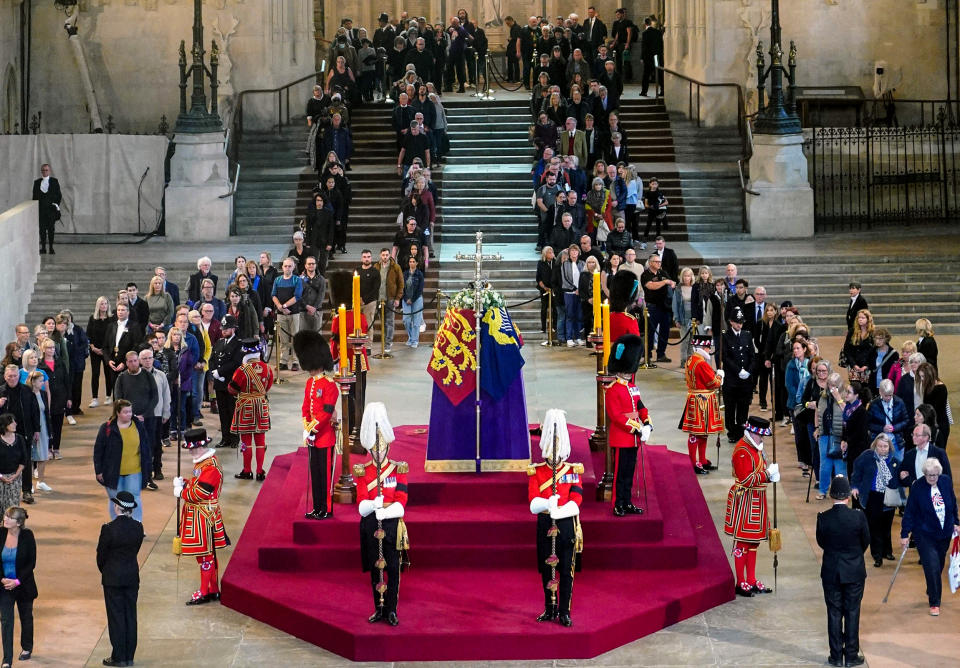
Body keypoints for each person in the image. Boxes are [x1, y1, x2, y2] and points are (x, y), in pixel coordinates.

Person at [353, 403, 408, 626]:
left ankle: (392, 609)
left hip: (392, 525)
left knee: (393, 568)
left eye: (381, 448)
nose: (378, 452)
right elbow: (360, 503)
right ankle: (378, 608)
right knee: (376, 570)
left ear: (387, 447)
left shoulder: (398, 469)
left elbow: (402, 502)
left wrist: (384, 510)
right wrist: (372, 505)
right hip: (370, 525)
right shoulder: (363, 471)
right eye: (374, 449)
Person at [528, 409, 582, 627]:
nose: (555, 453)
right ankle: (549, 608)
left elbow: (577, 499)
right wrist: (546, 504)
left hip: (566, 525)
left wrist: (559, 510)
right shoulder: (537, 472)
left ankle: (564, 610)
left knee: (566, 571)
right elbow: (532, 502)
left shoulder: (572, 470)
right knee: (546, 568)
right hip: (544, 524)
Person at [816, 475, 869, 668]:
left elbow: (822, 542)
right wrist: (854, 556)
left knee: (834, 612)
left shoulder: (823, 518)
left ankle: (836, 656)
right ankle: (852, 656)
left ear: (831, 496)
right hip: (854, 571)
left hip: (831, 571)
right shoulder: (858, 516)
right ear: (848, 495)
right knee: (853, 612)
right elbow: (865, 540)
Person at [174, 428, 230, 606]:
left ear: (200, 446)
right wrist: (186, 483)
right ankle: (212, 588)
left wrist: (182, 492)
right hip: (200, 514)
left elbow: (201, 492)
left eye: (192, 449)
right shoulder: (203, 463)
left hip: (204, 516)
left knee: (205, 555)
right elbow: (198, 484)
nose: (190, 452)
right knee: (207, 554)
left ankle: (205, 591)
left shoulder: (210, 466)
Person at [724, 416, 779, 597]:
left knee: (753, 542)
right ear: (753, 433)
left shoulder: (757, 449)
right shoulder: (742, 450)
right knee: (742, 542)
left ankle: (752, 579)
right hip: (746, 500)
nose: (762, 439)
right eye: (761, 436)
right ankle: (740, 581)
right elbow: (747, 480)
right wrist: (767, 474)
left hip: (757, 499)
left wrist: (770, 477)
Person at [899, 457, 959, 616]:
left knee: (938, 565)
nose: (932, 478)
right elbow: (910, 512)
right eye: (929, 475)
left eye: (935, 475)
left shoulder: (945, 482)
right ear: (924, 474)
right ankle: (934, 602)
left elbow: (952, 503)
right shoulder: (918, 487)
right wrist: (905, 534)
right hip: (924, 533)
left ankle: (932, 586)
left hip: (944, 532)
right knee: (931, 566)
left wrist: (956, 522)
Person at [604, 335, 652, 516]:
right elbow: (616, 416)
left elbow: (640, 406)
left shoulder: (632, 387)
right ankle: (618, 503)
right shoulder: (613, 389)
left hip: (633, 439)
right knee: (620, 475)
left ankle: (627, 502)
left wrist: (647, 422)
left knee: (629, 474)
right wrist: (637, 427)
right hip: (623, 437)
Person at [96, 491, 144, 668]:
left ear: (117, 508)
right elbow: (135, 549)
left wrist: (107, 571)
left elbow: (101, 556)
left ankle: (118, 656)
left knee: (116, 617)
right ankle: (129, 656)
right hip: (132, 576)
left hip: (112, 578)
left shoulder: (108, 529)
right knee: (130, 615)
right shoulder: (138, 527)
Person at [294, 332, 338, 520]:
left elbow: (327, 412)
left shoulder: (329, 385)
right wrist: (306, 427)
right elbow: (306, 407)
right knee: (315, 475)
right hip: (313, 437)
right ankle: (317, 507)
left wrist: (312, 429)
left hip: (325, 436)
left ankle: (326, 508)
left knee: (325, 476)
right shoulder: (309, 383)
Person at [93, 400, 150, 522]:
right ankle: (116, 524)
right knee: (115, 500)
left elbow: (146, 448)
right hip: (112, 472)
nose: (129, 414)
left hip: (135, 470)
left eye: (130, 411)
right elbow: (98, 451)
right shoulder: (106, 428)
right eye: (125, 412)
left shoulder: (138, 426)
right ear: (118, 413)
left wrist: (148, 468)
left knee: (135, 498)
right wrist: (98, 471)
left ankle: (137, 525)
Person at [228, 339, 274, 482]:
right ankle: (260, 471)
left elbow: (232, 388)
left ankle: (247, 470)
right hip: (261, 405)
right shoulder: (267, 368)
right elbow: (268, 386)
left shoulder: (241, 370)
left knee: (246, 441)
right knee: (261, 440)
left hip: (246, 406)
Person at [850, 434, 899, 569]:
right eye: (880, 446)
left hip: (888, 497)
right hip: (872, 496)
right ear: (875, 446)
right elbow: (857, 472)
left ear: (890, 447)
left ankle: (887, 551)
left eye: (885, 446)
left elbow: (898, 481)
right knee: (874, 527)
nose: (883, 449)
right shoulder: (867, 457)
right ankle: (877, 556)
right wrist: (854, 487)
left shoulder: (894, 461)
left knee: (887, 526)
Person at [680, 335, 724, 474]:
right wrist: (720, 376)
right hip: (702, 401)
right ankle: (695, 462)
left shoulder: (691, 360)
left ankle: (702, 460)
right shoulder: (701, 363)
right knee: (697, 433)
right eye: (708, 347)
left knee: (701, 433)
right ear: (703, 347)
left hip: (695, 398)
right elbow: (714, 383)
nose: (709, 349)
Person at [0, 507, 36, 666]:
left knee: (26, 617)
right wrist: (2, 579)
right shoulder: (0, 533)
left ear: (19, 523)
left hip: (23, 585)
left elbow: (31, 563)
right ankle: (7, 659)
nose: (5, 519)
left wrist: (17, 581)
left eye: (9, 517)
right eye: (5, 516)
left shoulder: (27, 536)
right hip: (4, 586)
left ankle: (27, 647)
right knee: (6, 621)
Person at [209, 316, 243, 450]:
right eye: (223, 328)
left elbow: (236, 363)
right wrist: (214, 372)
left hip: (231, 382)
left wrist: (221, 372)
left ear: (233, 329)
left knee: (232, 411)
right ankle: (225, 438)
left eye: (226, 328)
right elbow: (212, 359)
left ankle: (235, 438)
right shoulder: (219, 343)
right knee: (223, 412)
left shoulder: (238, 344)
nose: (223, 331)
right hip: (219, 383)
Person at [722, 307, 755, 444]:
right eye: (736, 322)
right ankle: (731, 430)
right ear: (731, 322)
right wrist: (738, 371)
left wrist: (748, 371)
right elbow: (725, 357)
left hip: (745, 381)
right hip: (732, 379)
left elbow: (752, 356)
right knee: (730, 407)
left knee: (743, 406)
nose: (739, 325)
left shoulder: (747, 335)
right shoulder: (725, 336)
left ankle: (741, 430)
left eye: (741, 322)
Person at [138, 348, 171, 484]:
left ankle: (158, 468)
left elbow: (166, 394)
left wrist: (166, 412)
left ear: (153, 359)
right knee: (142, 444)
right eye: (144, 358)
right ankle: (144, 470)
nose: (147, 361)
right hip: (141, 416)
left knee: (157, 443)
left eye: (150, 358)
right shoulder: (137, 376)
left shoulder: (161, 375)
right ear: (140, 361)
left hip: (157, 414)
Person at [816, 373, 849, 497]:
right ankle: (822, 490)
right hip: (825, 434)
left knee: (840, 466)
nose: (831, 388)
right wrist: (817, 428)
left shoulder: (845, 395)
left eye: (834, 385)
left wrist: (838, 397)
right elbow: (818, 411)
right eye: (829, 385)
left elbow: (848, 413)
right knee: (825, 465)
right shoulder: (823, 396)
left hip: (839, 436)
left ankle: (842, 491)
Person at [641, 253, 675, 363]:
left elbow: (672, 283)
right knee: (650, 331)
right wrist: (664, 282)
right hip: (652, 307)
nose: (659, 263)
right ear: (650, 263)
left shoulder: (663, 272)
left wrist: (668, 282)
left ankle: (661, 354)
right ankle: (648, 354)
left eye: (660, 261)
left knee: (665, 331)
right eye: (656, 261)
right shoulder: (645, 274)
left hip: (665, 307)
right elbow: (651, 286)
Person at [271, 258, 304, 372]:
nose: (287, 268)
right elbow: (273, 295)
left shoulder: (297, 280)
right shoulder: (277, 280)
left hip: (293, 313)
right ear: (282, 267)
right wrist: (280, 307)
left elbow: (297, 296)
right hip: (281, 314)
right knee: (283, 339)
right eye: (286, 266)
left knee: (295, 338)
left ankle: (295, 362)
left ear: (293, 267)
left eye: (290, 266)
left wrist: (284, 306)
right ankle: (283, 361)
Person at [898, 424, 952, 490]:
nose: (913, 437)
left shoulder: (939, 453)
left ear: (926, 437)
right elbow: (902, 476)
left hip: (935, 494)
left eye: (917, 435)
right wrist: (912, 482)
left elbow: (947, 477)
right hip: (916, 495)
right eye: (913, 434)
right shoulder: (909, 454)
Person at [915, 362, 950, 449]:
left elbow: (934, 409)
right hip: (931, 424)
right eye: (921, 377)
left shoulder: (941, 388)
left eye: (923, 376)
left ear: (929, 376)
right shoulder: (928, 385)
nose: (922, 379)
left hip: (939, 426)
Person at [32, 164, 61, 254]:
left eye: (46, 170)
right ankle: (43, 247)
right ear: (41, 171)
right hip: (41, 211)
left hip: (51, 211)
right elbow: (34, 197)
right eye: (43, 170)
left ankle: (51, 248)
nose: (45, 172)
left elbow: (59, 195)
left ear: (49, 171)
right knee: (42, 230)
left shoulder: (54, 181)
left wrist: (55, 204)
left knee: (51, 229)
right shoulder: (37, 182)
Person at [0, 417, 27, 511]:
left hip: (15, 478)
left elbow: (24, 460)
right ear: (4, 425)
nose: (15, 423)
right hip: (0, 478)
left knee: (13, 507)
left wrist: (16, 474)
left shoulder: (19, 439)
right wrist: (1, 476)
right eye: (12, 422)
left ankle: (11, 525)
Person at [843, 309, 875, 385]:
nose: (860, 319)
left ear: (868, 319)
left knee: (866, 389)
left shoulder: (872, 333)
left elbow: (874, 352)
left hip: (867, 366)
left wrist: (867, 365)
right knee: (854, 388)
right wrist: (854, 364)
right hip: (854, 365)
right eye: (859, 318)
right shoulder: (852, 331)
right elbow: (846, 349)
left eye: (863, 318)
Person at [401, 256, 424, 348]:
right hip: (406, 299)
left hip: (417, 299)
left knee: (416, 320)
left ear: (417, 263)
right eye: (410, 261)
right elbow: (402, 287)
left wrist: (413, 299)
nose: (411, 263)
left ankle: (415, 340)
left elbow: (420, 289)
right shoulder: (405, 274)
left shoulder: (419, 274)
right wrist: (406, 298)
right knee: (406, 320)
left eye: (413, 261)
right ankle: (410, 337)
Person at [536, 247, 558, 334]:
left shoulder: (555, 262)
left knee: (555, 308)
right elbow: (538, 277)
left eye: (552, 252)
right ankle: (543, 327)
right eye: (549, 252)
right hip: (544, 289)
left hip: (554, 289)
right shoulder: (541, 263)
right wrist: (544, 287)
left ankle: (554, 326)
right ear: (545, 254)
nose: (551, 253)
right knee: (544, 308)